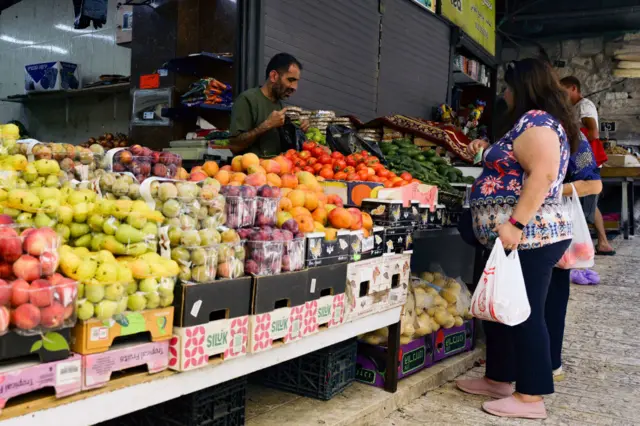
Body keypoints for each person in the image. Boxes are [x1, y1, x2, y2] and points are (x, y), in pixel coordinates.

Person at [456, 58, 580, 420]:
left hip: (530, 236)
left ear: (524, 87)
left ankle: (531, 396)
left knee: (525, 315)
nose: (505, 94)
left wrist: (515, 224)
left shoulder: (537, 121)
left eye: (508, 88)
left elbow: (541, 175)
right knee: (500, 311)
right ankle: (499, 378)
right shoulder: (530, 123)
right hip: (519, 238)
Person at [547, 132, 602, 384]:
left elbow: (593, 184)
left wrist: (551, 190)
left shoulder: (570, 134)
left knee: (552, 295)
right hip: (518, 228)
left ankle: (549, 364)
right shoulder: (517, 124)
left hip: (552, 228)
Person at [560, 76, 614, 256]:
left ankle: (586, 245)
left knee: (587, 202)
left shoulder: (584, 106)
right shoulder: (575, 108)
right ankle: (603, 243)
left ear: (573, 88)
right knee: (590, 202)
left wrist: (575, 140)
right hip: (582, 161)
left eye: (564, 90)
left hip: (586, 160)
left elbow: (594, 132)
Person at [229, 53, 309, 156]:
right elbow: (234, 146)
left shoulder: (280, 106)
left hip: (275, 170)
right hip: (250, 170)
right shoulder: (247, 99)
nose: (294, 87)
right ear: (273, 76)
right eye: (291, 80)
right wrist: (267, 125)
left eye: (296, 82)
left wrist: (300, 130)